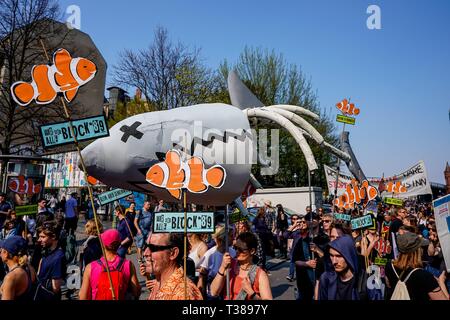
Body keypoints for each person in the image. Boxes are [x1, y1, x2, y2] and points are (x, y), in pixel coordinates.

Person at [79, 229, 141, 300]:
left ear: (103, 244)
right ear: (119, 244)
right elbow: (136, 292)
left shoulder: (90, 267)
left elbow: (83, 297)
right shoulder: (128, 265)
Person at [384, 232, 448, 300]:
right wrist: (441, 282)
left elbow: (389, 284)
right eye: (421, 247)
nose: (423, 249)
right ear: (417, 251)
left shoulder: (389, 265)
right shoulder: (424, 276)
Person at [210, 232, 272, 300]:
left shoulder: (260, 275)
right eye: (235, 247)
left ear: (252, 251)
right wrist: (222, 267)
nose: (237, 251)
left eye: (241, 249)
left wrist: (251, 293)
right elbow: (213, 292)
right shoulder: (229, 264)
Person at [145, 232, 202, 300]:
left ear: (173, 253)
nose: (145, 253)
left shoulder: (182, 293)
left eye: (153, 248)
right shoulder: (160, 282)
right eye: (146, 246)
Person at [198, 225, 236, 299]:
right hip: (212, 294)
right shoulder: (209, 255)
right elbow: (202, 278)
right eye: (231, 236)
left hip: (228, 290)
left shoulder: (233, 252)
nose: (234, 238)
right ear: (223, 238)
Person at [318, 235, 361, 300]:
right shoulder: (326, 279)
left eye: (339, 256)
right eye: (331, 256)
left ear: (348, 255)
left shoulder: (363, 281)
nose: (334, 261)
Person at [35, 221, 66, 300]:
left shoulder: (58, 258)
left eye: (42, 237)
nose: (39, 240)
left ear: (53, 237)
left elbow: (55, 288)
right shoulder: (46, 251)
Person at [0, 236, 36, 300]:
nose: (0, 253)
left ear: (6, 253)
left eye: (1, 250)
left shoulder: (11, 277)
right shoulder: (29, 268)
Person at [283, 214, 301, 282]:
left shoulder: (302, 226)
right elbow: (286, 236)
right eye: (293, 219)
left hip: (302, 248)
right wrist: (294, 226)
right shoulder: (291, 227)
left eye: (296, 218)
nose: (295, 220)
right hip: (294, 247)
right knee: (292, 261)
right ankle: (291, 275)